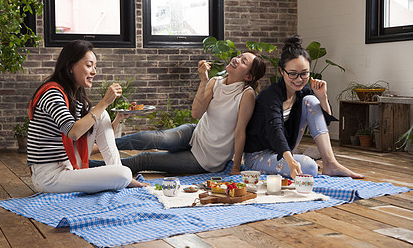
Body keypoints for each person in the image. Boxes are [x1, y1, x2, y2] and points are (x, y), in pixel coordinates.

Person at [111, 51, 266, 175]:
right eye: (239, 56)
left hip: (206, 158)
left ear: (248, 77)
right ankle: (103, 145)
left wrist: (236, 167)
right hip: (195, 133)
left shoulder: (246, 94)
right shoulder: (215, 82)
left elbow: (240, 132)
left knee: (144, 160)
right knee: (157, 138)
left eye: (243, 61)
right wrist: (204, 80)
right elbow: (196, 114)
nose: (237, 59)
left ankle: (95, 166)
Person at [27, 39, 147, 193]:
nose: (94, 71)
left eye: (95, 67)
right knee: (123, 173)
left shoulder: (73, 98)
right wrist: (104, 103)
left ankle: (119, 172)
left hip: (69, 164)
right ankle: (121, 175)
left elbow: (95, 141)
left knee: (101, 115)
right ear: (71, 66)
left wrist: (117, 119)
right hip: (49, 176)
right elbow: (74, 133)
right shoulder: (52, 93)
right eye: (89, 65)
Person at [244, 35, 364, 181]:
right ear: (282, 71)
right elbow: (275, 131)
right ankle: (297, 160)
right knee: (310, 167)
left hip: (284, 151)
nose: (299, 79)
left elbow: (324, 122)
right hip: (259, 155)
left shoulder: (302, 90)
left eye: (304, 73)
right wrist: (291, 161)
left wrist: (323, 97)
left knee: (311, 100)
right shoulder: (270, 96)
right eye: (293, 74)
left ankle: (330, 163)